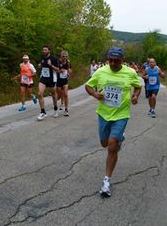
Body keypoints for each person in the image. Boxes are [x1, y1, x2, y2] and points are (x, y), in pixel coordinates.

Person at [85, 47, 141, 197]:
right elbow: (88, 86)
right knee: (104, 143)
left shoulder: (130, 73)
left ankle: (106, 181)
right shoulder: (101, 71)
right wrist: (96, 94)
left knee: (111, 146)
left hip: (122, 114)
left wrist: (135, 96)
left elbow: (138, 86)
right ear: (108, 59)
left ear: (123, 60)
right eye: (111, 60)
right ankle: (119, 138)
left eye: (117, 60)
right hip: (104, 114)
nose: (113, 63)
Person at [37, 45, 59, 121]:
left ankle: (55, 108)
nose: (43, 51)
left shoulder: (53, 59)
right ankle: (43, 112)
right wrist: (40, 66)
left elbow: (58, 70)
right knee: (40, 94)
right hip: (43, 78)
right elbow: (41, 65)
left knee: (54, 95)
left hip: (51, 79)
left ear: (49, 51)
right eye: (43, 50)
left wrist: (51, 65)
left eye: (45, 50)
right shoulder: (42, 58)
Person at [56, 50, 72, 116]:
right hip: (58, 80)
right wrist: (59, 71)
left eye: (66, 56)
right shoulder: (57, 62)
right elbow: (54, 71)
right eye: (63, 56)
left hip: (65, 80)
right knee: (59, 95)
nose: (64, 57)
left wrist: (69, 73)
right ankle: (59, 100)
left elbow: (70, 70)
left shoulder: (68, 63)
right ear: (61, 56)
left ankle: (66, 109)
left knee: (65, 94)